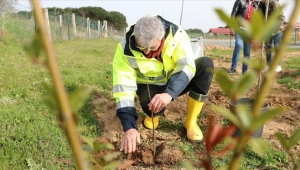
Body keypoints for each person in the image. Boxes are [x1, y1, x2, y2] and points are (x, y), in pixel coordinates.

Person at [112, 15, 214, 154]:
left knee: (205, 65)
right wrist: (129, 126)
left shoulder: (177, 35)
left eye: (152, 48)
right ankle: (154, 116)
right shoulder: (125, 48)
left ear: (162, 38)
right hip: (149, 84)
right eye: (141, 47)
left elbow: (187, 67)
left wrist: (169, 93)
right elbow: (123, 88)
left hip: (174, 82)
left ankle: (190, 122)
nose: (147, 52)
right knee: (153, 108)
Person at [228, 0, 257, 74]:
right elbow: (233, 14)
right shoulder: (240, 1)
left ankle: (245, 71)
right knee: (238, 45)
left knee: (247, 52)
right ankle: (233, 68)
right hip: (239, 28)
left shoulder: (255, 4)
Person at [258, 0, 286, 72]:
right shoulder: (260, 5)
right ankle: (268, 65)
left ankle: (278, 65)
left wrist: (280, 24)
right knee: (268, 47)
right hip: (267, 29)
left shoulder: (273, 3)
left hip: (277, 28)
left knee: (277, 46)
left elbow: (281, 16)